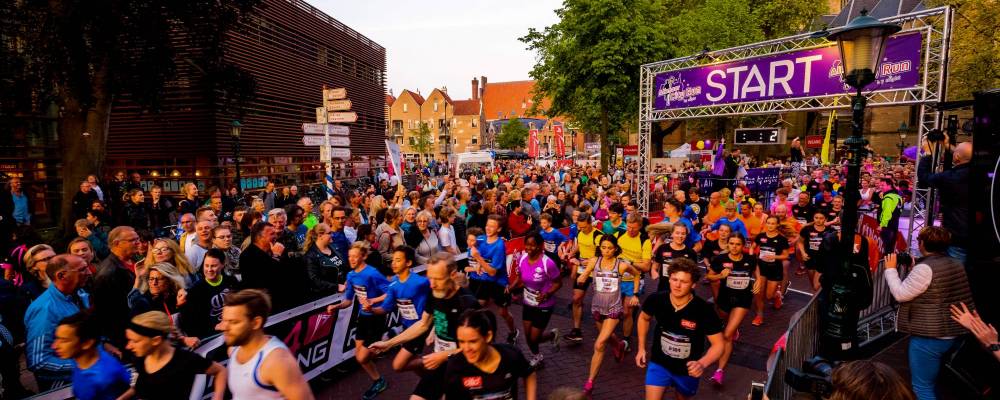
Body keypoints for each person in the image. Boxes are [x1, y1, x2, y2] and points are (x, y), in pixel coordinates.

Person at [368, 252, 482, 400]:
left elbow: (477, 348)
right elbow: (423, 324)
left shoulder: (468, 304)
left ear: (453, 275)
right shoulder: (435, 292)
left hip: (463, 366)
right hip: (440, 361)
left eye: (438, 279)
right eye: (430, 278)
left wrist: (443, 355)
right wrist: (388, 343)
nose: (432, 284)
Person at [884, 226, 975, 400]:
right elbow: (935, 289)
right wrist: (915, 268)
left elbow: (901, 294)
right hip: (953, 332)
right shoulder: (955, 262)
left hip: (931, 336)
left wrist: (890, 269)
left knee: (922, 387)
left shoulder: (925, 269)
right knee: (936, 382)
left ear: (922, 243)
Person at [636, 258, 724, 400]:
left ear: (693, 284)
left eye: (683, 282)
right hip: (659, 363)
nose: (677, 285)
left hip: (687, 370)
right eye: (674, 279)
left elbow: (719, 344)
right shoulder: (657, 299)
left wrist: (702, 363)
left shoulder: (704, 310)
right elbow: (643, 318)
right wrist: (641, 348)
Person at [575, 235, 641, 395]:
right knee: (608, 336)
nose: (606, 251)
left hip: (614, 309)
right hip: (597, 308)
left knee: (599, 344)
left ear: (615, 248)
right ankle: (619, 346)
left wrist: (634, 294)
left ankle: (589, 382)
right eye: (603, 247)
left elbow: (637, 274)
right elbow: (585, 273)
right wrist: (583, 276)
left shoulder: (622, 265)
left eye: (610, 248)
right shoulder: (594, 261)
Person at [221, 289, 315, 399]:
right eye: (224, 321)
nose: (224, 327)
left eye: (234, 322)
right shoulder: (233, 350)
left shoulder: (277, 361)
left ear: (256, 323)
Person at [327, 242, 390, 399]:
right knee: (360, 356)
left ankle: (387, 342)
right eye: (350, 256)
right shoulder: (351, 275)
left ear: (363, 256)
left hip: (376, 316)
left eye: (355, 256)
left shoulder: (372, 273)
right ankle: (379, 380)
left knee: (362, 357)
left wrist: (372, 301)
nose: (352, 259)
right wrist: (336, 306)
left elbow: (390, 292)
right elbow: (348, 301)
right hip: (363, 317)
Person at [121, 311, 227, 400]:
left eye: (134, 341)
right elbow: (143, 386)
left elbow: (220, 371)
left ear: (156, 341)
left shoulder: (184, 360)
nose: (128, 346)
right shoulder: (139, 358)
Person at [24, 254, 92, 390]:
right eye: (82, 269)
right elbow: (39, 361)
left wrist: (104, 343)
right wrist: (87, 365)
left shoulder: (78, 294)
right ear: (61, 276)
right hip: (67, 387)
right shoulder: (45, 309)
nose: (89, 272)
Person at [441, 309, 538, 400]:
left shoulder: (510, 355)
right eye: (461, 342)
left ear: (488, 336)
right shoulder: (455, 367)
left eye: (473, 341)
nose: (466, 349)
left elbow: (529, 373)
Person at [705, 234, 759, 385]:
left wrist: (758, 281)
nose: (734, 247)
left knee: (727, 335)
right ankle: (731, 327)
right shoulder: (720, 260)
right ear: (727, 244)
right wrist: (720, 276)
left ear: (743, 246)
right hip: (725, 299)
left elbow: (756, 271)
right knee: (722, 319)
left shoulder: (750, 259)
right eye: (732, 244)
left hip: (743, 300)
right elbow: (709, 276)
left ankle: (719, 372)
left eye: (738, 244)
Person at [369, 245, 431, 372]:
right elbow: (385, 309)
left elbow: (437, 296)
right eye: (393, 260)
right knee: (413, 365)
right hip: (406, 327)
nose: (394, 263)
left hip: (419, 327)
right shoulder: (393, 285)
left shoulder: (421, 282)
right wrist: (371, 309)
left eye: (398, 260)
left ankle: (436, 361)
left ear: (408, 263)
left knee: (398, 365)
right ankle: (430, 380)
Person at [508, 233, 562, 367]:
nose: (529, 248)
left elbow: (558, 283)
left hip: (544, 304)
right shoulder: (522, 258)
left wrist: (547, 294)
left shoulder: (547, 263)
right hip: (528, 302)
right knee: (528, 336)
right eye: (527, 245)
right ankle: (537, 356)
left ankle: (551, 335)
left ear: (540, 246)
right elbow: (520, 277)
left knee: (534, 338)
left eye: (533, 245)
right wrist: (511, 287)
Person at [53, 311, 131, 400]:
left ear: (87, 343)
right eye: (57, 338)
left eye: (64, 340)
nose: (54, 346)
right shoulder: (80, 361)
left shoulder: (103, 376)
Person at [468, 214, 518, 343]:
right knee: (476, 308)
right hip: (485, 281)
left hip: (499, 283)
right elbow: (474, 245)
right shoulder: (481, 239)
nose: (488, 228)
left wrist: (478, 258)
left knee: (503, 313)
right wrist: (478, 262)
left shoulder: (499, 246)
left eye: (492, 226)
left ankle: (513, 332)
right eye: (487, 225)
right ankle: (479, 337)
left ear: (499, 229)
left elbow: (492, 272)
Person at [918, 141, 971, 263]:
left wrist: (927, 153)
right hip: (981, 237)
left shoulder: (951, 176)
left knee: (955, 276)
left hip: (958, 238)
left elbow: (924, 178)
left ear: (956, 156)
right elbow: (966, 156)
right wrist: (948, 145)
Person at [92, 226, 140, 353]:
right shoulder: (108, 273)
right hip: (127, 337)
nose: (138, 242)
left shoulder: (136, 260)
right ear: (117, 244)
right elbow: (107, 313)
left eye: (137, 239)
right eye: (133, 240)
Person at [615, 213, 653, 353]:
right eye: (629, 227)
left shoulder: (645, 240)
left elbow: (646, 267)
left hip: (634, 280)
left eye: (634, 228)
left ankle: (626, 340)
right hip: (617, 278)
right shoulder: (619, 235)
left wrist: (629, 263)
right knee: (614, 309)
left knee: (627, 311)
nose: (630, 231)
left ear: (640, 227)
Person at [180, 249, 236, 340]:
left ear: (222, 265)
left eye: (213, 266)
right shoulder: (195, 291)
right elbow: (191, 326)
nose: (209, 270)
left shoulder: (231, 281)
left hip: (234, 328)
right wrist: (215, 327)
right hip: (213, 338)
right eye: (206, 266)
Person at [239, 221, 295, 310]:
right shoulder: (248, 256)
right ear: (259, 237)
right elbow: (267, 279)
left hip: (285, 301)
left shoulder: (277, 249)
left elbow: (288, 272)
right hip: (265, 305)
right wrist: (276, 256)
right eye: (272, 234)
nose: (276, 236)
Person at [566, 212, 603, 343]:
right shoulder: (580, 232)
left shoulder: (598, 236)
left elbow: (600, 257)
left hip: (596, 272)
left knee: (599, 304)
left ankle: (604, 332)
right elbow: (580, 245)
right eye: (579, 227)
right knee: (576, 299)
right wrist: (572, 252)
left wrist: (581, 262)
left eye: (584, 227)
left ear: (590, 224)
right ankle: (576, 330)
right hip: (582, 270)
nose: (581, 229)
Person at [751, 217, 791, 325]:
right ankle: (759, 315)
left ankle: (777, 295)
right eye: (768, 223)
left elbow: (786, 255)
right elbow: (753, 246)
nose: (770, 225)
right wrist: (751, 254)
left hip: (775, 269)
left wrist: (774, 256)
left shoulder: (782, 239)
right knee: (759, 293)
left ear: (777, 225)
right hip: (761, 268)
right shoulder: (761, 236)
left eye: (773, 223)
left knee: (769, 296)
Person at [652, 223, 697, 292]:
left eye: (683, 233)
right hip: (664, 287)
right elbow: (655, 266)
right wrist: (654, 272)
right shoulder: (663, 248)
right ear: (672, 234)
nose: (680, 236)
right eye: (677, 233)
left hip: (681, 289)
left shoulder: (691, 252)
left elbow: (694, 274)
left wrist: (693, 284)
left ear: (686, 235)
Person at [303, 222, 345, 297]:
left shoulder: (335, 247)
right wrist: (336, 287)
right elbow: (314, 280)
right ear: (320, 235)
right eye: (329, 233)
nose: (332, 235)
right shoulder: (311, 256)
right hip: (325, 296)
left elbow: (344, 266)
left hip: (343, 291)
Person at [798, 211, 831, 291]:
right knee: (813, 284)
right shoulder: (807, 229)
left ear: (825, 219)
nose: (818, 220)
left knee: (818, 285)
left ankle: (820, 299)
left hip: (823, 260)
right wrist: (803, 253)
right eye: (816, 218)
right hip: (810, 258)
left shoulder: (830, 231)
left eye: (821, 218)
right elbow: (800, 242)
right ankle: (816, 299)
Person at [877, 178, 903, 254]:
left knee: (887, 249)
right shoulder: (898, 197)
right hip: (894, 226)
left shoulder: (888, 198)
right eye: (880, 185)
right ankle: (890, 263)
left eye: (883, 185)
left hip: (887, 227)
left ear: (889, 186)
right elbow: (900, 210)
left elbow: (887, 213)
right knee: (890, 249)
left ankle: (887, 264)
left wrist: (881, 225)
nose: (880, 187)